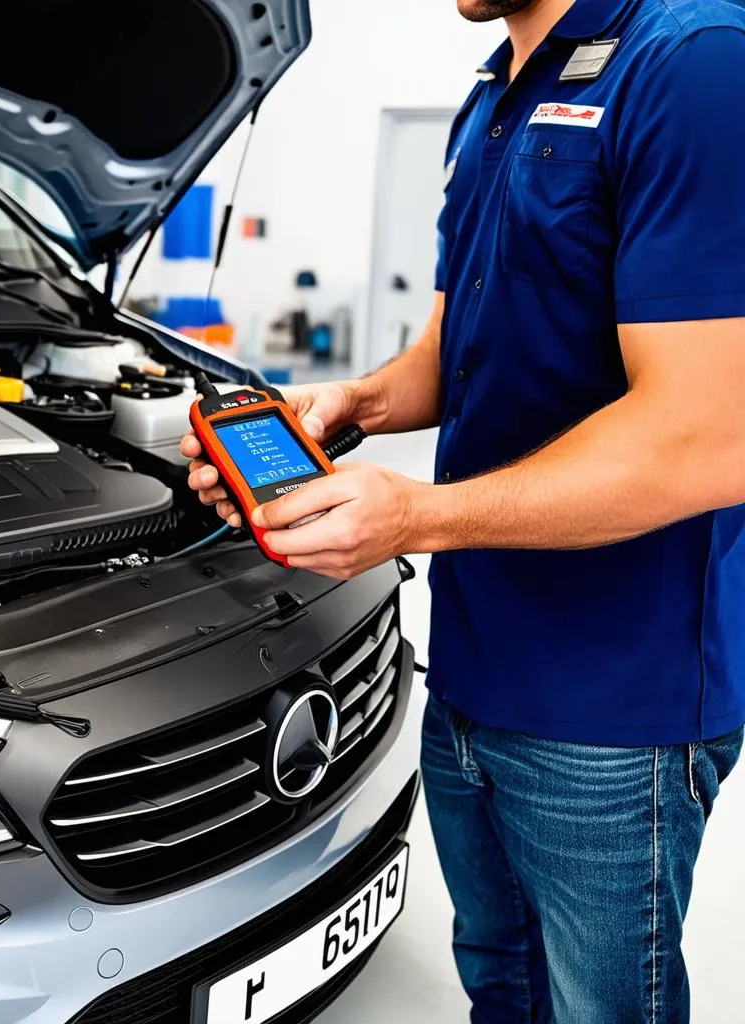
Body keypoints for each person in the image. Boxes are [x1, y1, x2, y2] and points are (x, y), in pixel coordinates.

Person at [182, 0, 745, 1021]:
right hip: (473, 672)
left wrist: (416, 516)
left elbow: (707, 436)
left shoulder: (696, 65)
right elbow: (453, 349)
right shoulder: (493, 93)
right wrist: (350, 403)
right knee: (499, 978)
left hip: (615, 710)